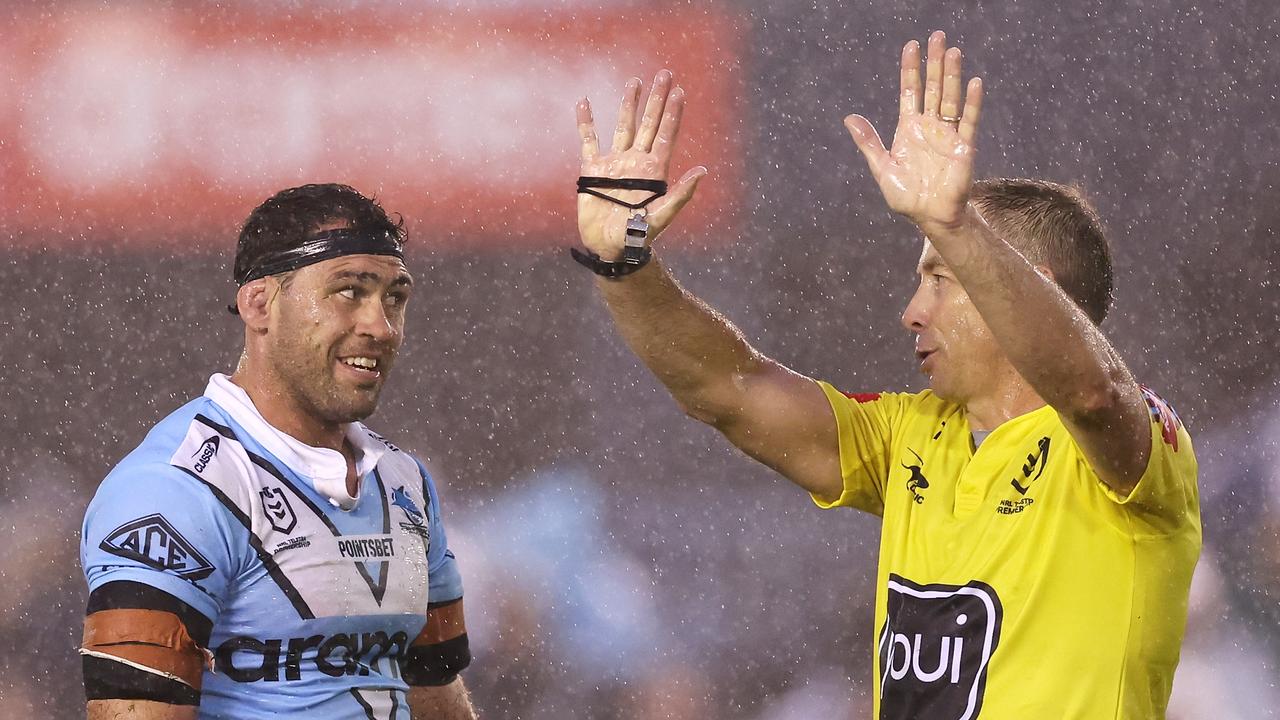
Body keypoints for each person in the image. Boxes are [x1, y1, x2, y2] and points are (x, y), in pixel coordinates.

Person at [570, 32, 1201, 718]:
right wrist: (625, 267)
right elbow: (729, 390)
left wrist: (955, 226)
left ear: (1029, 285)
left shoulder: (1130, 450)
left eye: (939, 280)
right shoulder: (909, 437)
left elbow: (1091, 392)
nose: (910, 312)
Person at [79, 184, 476, 720]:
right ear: (259, 303)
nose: (380, 327)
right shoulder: (174, 490)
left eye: (394, 298)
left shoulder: (405, 483)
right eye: (348, 291)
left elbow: (432, 685)